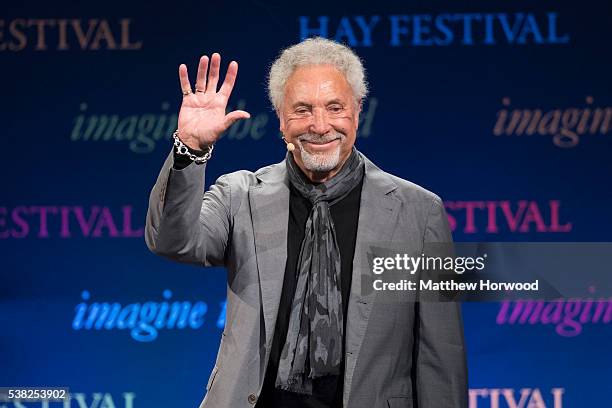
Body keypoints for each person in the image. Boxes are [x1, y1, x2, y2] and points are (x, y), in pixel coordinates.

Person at [145, 37, 467, 408]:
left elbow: (440, 357)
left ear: (357, 111)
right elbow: (172, 241)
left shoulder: (418, 213)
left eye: (334, 107)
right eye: (302, 109)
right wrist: (190, 148)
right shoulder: (240, 196)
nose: (319, 125)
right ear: (281, 118)